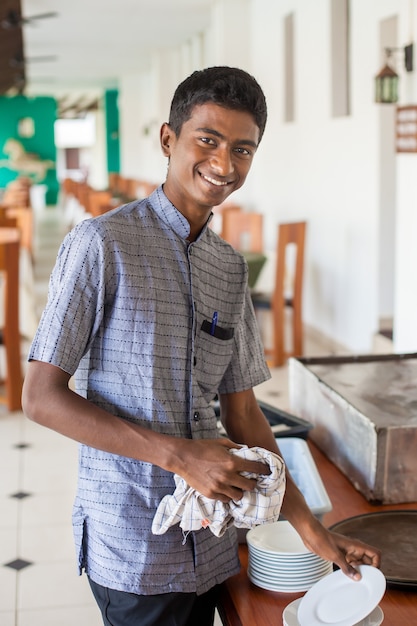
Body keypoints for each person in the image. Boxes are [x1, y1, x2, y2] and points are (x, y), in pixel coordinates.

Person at [22, 66, 380, 626]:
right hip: (134, 541)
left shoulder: (229, 268)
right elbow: (41, 398)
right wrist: (179, 456)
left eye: (243, 149)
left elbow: (243, 412)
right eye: (207, 141)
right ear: (169, 139)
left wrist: (311, 531)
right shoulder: (102, 244)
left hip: (215, 540)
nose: (223, 164)